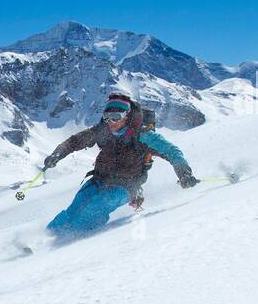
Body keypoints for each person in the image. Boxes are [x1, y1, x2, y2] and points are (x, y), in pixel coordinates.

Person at [41, 91, 199, 240]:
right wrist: (58, 154)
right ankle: (45, 238)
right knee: (76, 206)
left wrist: (183, 173)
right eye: (107, 117)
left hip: (126, 187)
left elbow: (171, 151)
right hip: (100, 179)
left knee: (95, 207)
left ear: (127, 116)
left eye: (116, 117)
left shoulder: (143, 136)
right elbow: (76, 141)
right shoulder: (103, 131)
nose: (111, 122)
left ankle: (66, 241)